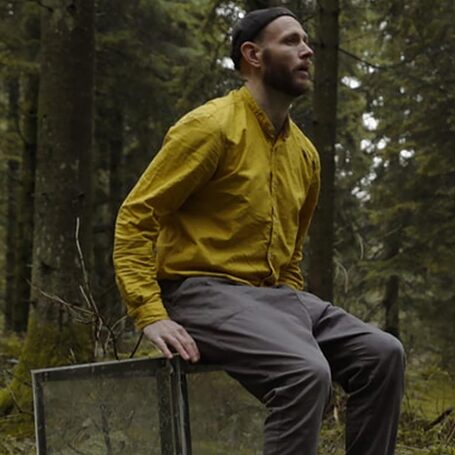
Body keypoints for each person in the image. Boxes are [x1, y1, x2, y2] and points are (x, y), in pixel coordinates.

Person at [113, 7, 404, 455]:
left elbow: (290, 259)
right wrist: (151, 313)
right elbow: (137, 217)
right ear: (253, 55)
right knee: (306, 372)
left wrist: (289, 318)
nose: (307, 51)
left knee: (383, 355)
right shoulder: (210, 128)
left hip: (274, 300)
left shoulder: (305, 155)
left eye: (307, 42)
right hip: (200, 292)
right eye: (290, 41)